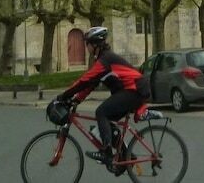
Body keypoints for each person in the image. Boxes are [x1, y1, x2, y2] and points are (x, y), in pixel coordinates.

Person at [56, 26, 152, 164]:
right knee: (107, 121)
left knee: (101, 112)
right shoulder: (103, 60)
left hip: (135, 90)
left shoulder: (105, 60)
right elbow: (91, 84)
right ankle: (127, 155)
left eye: (87, 44)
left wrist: (64, 96)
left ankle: (106, 152)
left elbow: (85, 80)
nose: (86, 47)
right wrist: (76, 99)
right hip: (133, 90)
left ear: (95, 44)